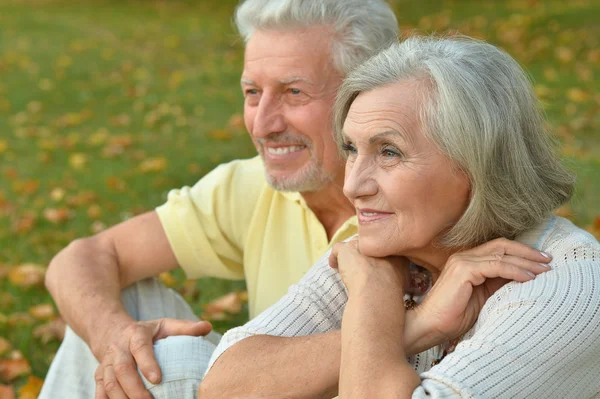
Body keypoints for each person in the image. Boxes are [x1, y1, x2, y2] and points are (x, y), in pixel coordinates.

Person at [201, 35, 600, 398]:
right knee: (174, 361)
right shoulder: (388, 251)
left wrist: (371, 300)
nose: (353, 186)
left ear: (477, 165)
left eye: (388, 152)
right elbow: (223, 386)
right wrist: (416, 324)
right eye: (352, 149)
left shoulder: (566, 286)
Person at [38, 1, 399, 398]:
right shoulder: (250, 187)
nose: (262, 124)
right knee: (120, 322)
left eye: (294, 92)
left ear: (366, 94)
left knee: (172, 363)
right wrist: (111, 336)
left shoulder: (423, 202)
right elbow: (80, 259)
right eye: (252, 92)